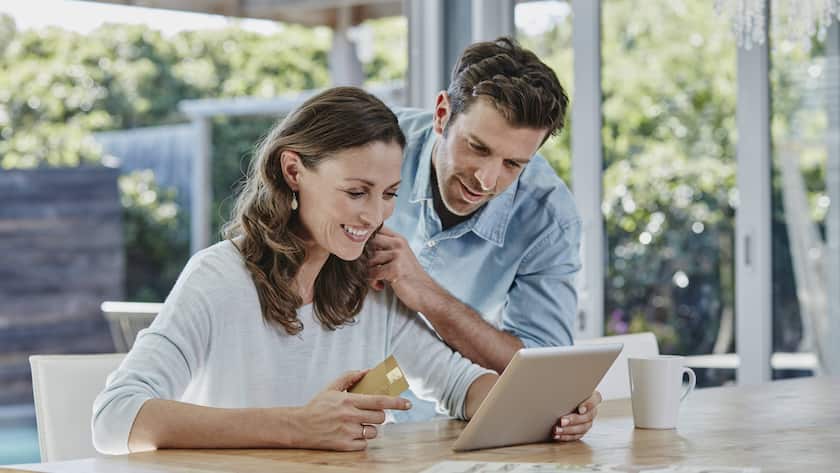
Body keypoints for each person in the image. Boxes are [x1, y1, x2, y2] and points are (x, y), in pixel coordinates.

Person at [92, 87, 591, 455]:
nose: (373, 216)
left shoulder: (368, 289)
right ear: (294, 172)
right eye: (356, 192)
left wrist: (552, 407)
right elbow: (116, 419)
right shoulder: (220, 279)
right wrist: (297, 426)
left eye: (389, 194)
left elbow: (462, 387)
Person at [368, 37, 598, 432]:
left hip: (452, 417)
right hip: (326, 392)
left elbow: (542, 367)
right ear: (442, 114)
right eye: (477, 147)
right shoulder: (371, 143)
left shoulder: (549, 218)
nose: (486, 180)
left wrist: (427, 294)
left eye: (514, 164)